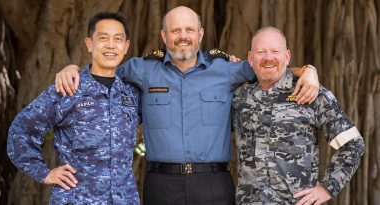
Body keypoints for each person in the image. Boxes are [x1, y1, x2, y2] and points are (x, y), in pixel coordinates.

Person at [55, 6, 319, 205]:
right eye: (175, 30)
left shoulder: (226, 70)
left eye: (189, 30)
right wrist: (70, 69)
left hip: (214, 184)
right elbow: (102, 69)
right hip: (161, 184)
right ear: (164, 35)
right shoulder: (141, 69)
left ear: (200, 34)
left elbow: (269, 67)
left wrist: (307, 70)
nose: (183, 36)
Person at [7, 12, 141, 204]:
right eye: (103, 38)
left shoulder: (131, 94)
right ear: (89, 44)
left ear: (126, 46)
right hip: (77, 199)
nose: (111, 45)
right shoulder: (68, 88)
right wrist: (44, 173)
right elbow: (21, 132)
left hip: (124, 199)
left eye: (118, 39)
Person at [232, 27, 365, 205]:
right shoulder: (240, 95)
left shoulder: (309, 92)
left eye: (275, 51)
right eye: (261, 51)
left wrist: (327, 188)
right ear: (250, 58)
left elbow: (353, 144)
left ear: (287, 56)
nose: (268, 57)